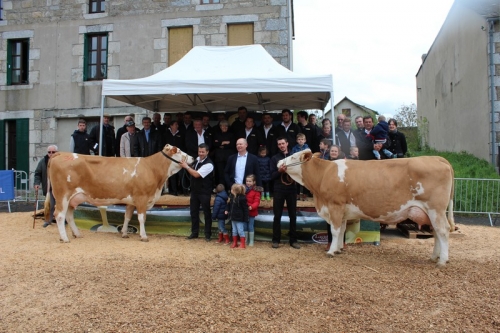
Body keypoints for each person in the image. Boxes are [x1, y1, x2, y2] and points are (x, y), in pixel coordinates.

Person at [270, 137, 300, 249]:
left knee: (293, 216)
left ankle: (293, 240)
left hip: (292, 189)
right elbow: (271, 176)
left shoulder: (294, 157)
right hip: (278, 189)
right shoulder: (274, 158)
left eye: (283, 143)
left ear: (287, 144)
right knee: (277, 216)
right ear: (278, 146)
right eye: (279, 144)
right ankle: (275, 240)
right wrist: (279, 171)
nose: (281, 145)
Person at [180, 143, 214, 241]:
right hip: (195, 191)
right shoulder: (197, 160)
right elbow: (192, 167)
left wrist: (186, 166)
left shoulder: (209, 164)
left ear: (207, 152)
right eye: (199, 151)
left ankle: (208, 235)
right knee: (193, 212)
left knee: (206, 213)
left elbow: (196, 174)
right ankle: (194, 233)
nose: (201, 153)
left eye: (203, 152)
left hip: (204, 192)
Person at [34, 145, 58, 228]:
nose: (51, 154)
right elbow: (37, 173)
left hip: (59, 188)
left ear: (56, 152)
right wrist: (37, 183)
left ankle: (64, 220)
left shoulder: (60, 161)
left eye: (53, 152)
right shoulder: (43, 161)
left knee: (61, 205)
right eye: (49, 152)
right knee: (50, 204)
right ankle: (48, 220)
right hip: (49, 187)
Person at [163, 121, 185, 195]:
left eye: (177, 124)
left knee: (180, 174)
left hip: (179, 158)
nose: (177, 126)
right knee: (172, 175)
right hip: (170, 158)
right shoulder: (166, 134)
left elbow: (184, 145)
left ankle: (182, 190)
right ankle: (173, 191)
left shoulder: (181, 134)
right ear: (171, 126)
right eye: (176, 124)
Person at [212, 120, 235, 187]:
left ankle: (229, 188)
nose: (224, 127)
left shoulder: (231, 135)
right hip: (219, 158)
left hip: (229, 157)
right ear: (220, 127)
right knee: (220, 174)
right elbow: (214, 144)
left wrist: (220, 144)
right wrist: (224, 142)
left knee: (228, 173)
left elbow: (232, 145)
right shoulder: (216, 134)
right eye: (223, 126)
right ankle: (221, 189)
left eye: (226, 126)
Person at [225, 183, 249, 249]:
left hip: (239, 218)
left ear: (236, 191)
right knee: (234, 231)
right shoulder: (231, 197)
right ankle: (235, 243)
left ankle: (242, 244)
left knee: (240, 231)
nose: (231, 190)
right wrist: (227, 210)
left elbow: (245, 209)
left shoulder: (242, 198)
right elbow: (228, 205)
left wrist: (246, 218)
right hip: (233, 217)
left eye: (232, 189)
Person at [291, 133, 310, 200]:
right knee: (297, 180)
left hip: (305, 166)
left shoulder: (307, 148)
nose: (300, 141)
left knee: (305, 181)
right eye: (299, 139)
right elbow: (292, 157)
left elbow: (309, 156)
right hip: (297, 166)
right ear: (296, 140)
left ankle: (305, 194)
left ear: (305, 140)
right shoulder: (294, 148)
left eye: (302, 139)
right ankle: (297, 194)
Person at [245, 174, 262, 247]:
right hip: (244, 211)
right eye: (247, 181)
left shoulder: (256, 191)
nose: (248, 183)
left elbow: (257, 201)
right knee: (244, 226)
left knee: (250, 226)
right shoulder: (243, 189)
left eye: (250, 181)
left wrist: (252, 206)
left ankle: (251, 241)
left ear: (254, 182)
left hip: (251, 210)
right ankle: (245, 240)